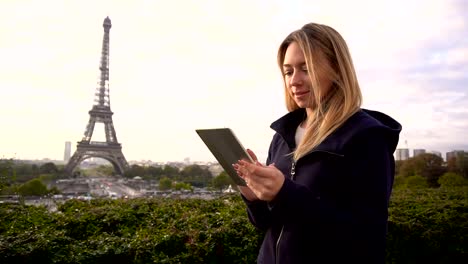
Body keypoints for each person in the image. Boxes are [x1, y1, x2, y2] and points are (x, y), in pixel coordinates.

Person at [233, 22, 402, 263]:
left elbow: (367, 235)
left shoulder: (367, 136)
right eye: (288, 71)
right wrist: (254, 197)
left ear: (336, 69)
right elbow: (268, 224)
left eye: (306, 69)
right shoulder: (282, 136)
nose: (294, 81)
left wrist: (285, 193)